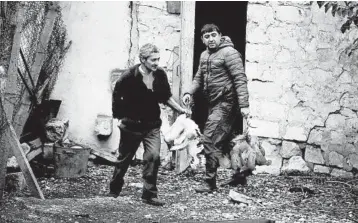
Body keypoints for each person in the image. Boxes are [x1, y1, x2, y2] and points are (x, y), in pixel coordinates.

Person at [111, 43, 190, 206]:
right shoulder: (128, 76)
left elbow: (165, 97)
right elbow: (117, 95)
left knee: (153, 157)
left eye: (158, 59)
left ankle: (149, 194)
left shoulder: (160, 74)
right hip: (131, 126)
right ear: (142, 60)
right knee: (123, 160)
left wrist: (180, 109)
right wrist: (119, 116)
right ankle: (115, 188)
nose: (156, 63)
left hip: (151, 126)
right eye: (153, 60)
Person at [182, 24, 250, 193]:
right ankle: (239, 176)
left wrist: (244, 105)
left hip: (227, 103)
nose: (211, 39)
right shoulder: (204, 55)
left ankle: (209, 182)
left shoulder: (229, 53)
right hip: (213, 103)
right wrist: (188, 92)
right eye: (207, 36)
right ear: (202, 40)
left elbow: (240, 79)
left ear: (220, 35)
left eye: (213, 35)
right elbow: (198, 77)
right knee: (225, 140)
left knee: (209, 139)